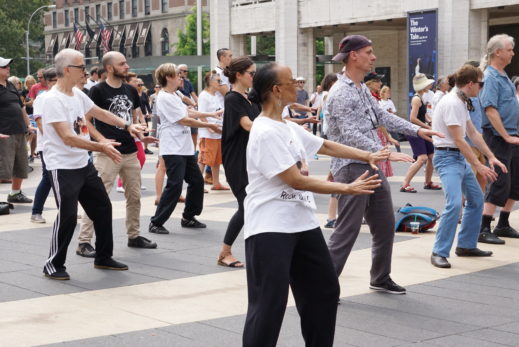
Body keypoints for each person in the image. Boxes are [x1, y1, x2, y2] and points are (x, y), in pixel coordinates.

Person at [242, 62, 389, 347]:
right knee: (269, 304)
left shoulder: (285, 126)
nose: (298, 85)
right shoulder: (264, 131)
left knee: (323, 290)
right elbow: (295, 180)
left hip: (302, 224)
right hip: (270, 227)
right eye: (291, 82)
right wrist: (346, 187)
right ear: (275, 90)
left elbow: (324, 145)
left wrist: (368, 154)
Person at [326, 35, 442, 294]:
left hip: (371, 163)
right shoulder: (341, 92)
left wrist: (416, 130)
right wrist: (384, 152)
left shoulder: (361, 88)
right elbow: (347, 134)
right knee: (347, 230)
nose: (373, 56)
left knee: (385, 225)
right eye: (369, 52)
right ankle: (324, 285)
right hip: (352, 166)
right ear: (353, 55)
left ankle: (380, 277)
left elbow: (381, 117)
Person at [41, 48, 144, 280]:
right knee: (67, 215)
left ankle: (103, 257)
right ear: (67, 70)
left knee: (102, 208)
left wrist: (128, 126)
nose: (85, 72)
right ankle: (53, 263)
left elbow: (100, 113)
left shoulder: (78, 94)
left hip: (83, 165)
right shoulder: (51, 100)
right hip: (62, 167)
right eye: (81, 67)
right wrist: (102, 146)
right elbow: (68, 137)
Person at [76, 51, 158, 259]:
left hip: (130, 150)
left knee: (135, 196)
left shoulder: (131, 90)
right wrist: (101, 141)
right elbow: (86, 120)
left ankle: (134, 235)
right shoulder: (96, 91)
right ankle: (84, 241)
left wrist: (141, 137)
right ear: (110, 68)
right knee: (97, 198)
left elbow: (130, 119)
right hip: (107, 153)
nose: (127, 66)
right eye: (122, 64)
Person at [430, 64, 505, 268]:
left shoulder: (462, 101)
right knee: (454, 204)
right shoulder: (453, 103)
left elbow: (473, 133)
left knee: (476, 200)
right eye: (480, 84)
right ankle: (439, 251)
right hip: (448, 157)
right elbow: (460, 140)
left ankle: (466, 245)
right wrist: (478, 165)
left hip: (457, 158)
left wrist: (491, 157)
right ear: (470, 84)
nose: (481, 88)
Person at [148, 63, 221, 235]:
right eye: (177, 75)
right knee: (175, 185)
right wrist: (208, 124)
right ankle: (156, 222)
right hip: (172, 147)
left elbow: (189, 113)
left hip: (185, 147)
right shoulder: (164, 97)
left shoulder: (176, 94)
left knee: (196, 181)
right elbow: (184, 120)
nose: (181, 77)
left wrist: (209, 115)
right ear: (168, 78)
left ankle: (189, 216)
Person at [217, 56, 259, 268]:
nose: (254, 76)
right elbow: (248, 125)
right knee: (246, 205)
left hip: (252, 159)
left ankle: (259, 250)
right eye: (251, 73)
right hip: (237, 159)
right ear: (239, 75)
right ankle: (225, 252)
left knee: (255, 205)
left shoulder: (251, 98)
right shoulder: (232, 98)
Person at [478, 34, 519, 244]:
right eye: (510, 49)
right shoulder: (491, 77)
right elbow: (490, 109)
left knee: (515, 182)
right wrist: (505, 135)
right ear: (498, 52)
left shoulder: (503, 75)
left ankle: (503, 223)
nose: (513, 52)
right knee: (499, 180)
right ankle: (484, 227)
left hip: (513, 136)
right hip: (498, 137)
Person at [400, 73, 442, 193]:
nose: (430, 85)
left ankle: (428, 182)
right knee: (422, 158)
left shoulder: (421, 97)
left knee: (431, 156)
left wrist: (430, 121)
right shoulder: (416, 99)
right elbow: (412, 118)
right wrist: (426, 127)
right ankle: (405, 184)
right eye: (427, 83)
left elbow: (423, 114)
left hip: (421, 130)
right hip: (415, 131)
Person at [0, 57, 33, 204]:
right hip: (4, 133)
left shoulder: (10, 86)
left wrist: (28, 125)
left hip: (19, 131)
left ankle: (15, 193)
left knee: (21, 165)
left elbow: (22, 108)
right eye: (4, 66)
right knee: (3, 169)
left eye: (8, 66)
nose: (8, 68)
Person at [30, 68, 58, 224]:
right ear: (47, 82)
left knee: (59, 178)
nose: (58, 83)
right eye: (55, 80)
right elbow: (40, 122)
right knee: (48, 178)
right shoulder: (42, 98)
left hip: (61, 145)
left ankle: (66, 209)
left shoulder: (64, 96)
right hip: (47, 145)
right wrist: (51, 139)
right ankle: (36, 212)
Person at [198, 71, 228, 191]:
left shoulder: (215, 95)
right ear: (210, 82)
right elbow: (201, 114)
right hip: (209, 133)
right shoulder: (204, 95)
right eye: (218, 81)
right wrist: (209, 127)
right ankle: (198, 184)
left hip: (218, 131)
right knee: (204, 159)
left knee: (217, 159)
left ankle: (216, 183)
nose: (220, 83)